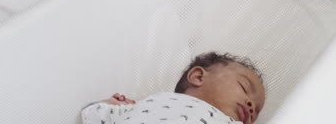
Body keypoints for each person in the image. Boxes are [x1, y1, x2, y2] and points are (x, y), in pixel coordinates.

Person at [82, 52, 266, 124]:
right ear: (198, 76)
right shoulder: (152, 102)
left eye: (256, 113)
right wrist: (113, 105)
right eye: (244, 87)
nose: (251, 106)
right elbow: (92, 115)